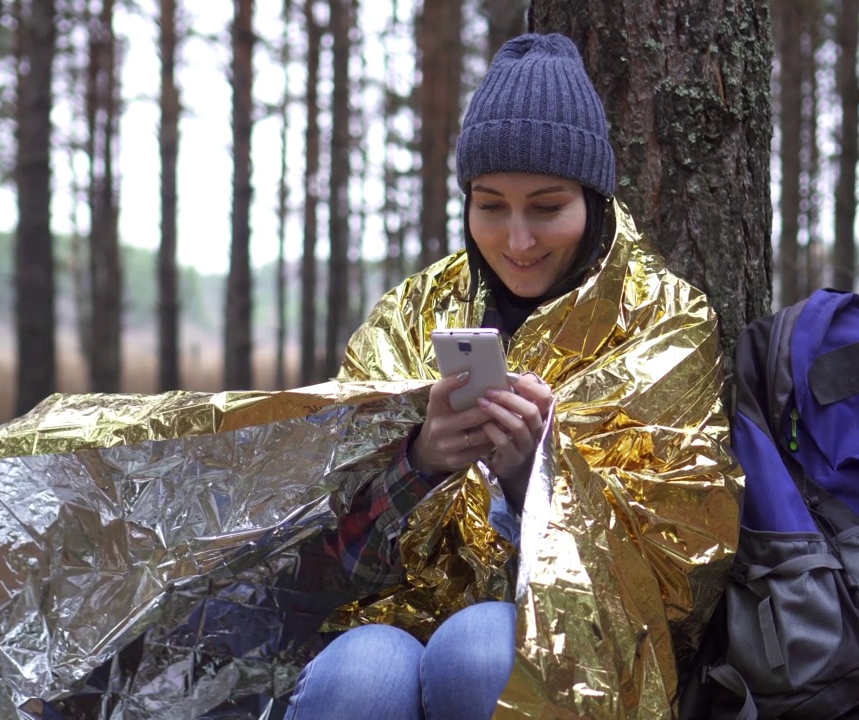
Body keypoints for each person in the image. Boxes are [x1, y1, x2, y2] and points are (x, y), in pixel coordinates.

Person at [284, 33, 742, 719]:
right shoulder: (411, 316)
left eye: (547, 207)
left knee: (479, 650)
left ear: (592, 200)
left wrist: (540, 479)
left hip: (586, 654)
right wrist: (420, 461)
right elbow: (317, 561)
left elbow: (680, 583)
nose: (518, 241)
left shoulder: (664, 323)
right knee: (362, 673)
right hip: (395, 630)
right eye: (491, 206)